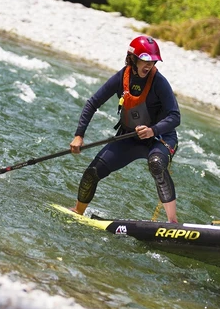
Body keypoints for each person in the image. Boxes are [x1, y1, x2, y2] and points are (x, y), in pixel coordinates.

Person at [70, 35, 180, 222]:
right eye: (145, 60)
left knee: (156, 163)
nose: (149, 65)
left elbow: (175, 116)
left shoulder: (159, 82)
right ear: (133, 58)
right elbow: (92, 103)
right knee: (92, 173)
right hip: (128, 137)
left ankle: (173, 222)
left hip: (159, 139)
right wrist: (79, 136)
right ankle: (77, 212)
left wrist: (152, 130)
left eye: (153, 61)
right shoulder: (121, 77)